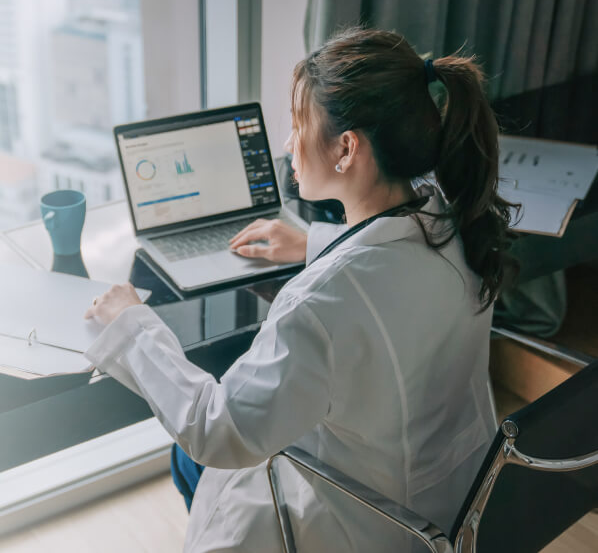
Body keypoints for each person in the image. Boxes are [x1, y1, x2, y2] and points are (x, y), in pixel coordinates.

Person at [82, 27, 517, 552]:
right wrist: (315, 240)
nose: (289, 144)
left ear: (347, 148)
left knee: (189, 455)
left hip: (372, 523)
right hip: (456, 501)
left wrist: (131, 327)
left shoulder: (318, 302)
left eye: (298, 125)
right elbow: (388, 268)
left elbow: (218, 432)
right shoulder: (455, 222)